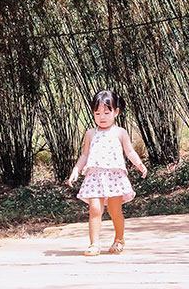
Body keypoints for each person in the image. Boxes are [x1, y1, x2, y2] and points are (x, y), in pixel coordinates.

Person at [66, 90, 147, 256]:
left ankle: (119, 239)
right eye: (97, 113)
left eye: (106, 112)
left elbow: (129, 151)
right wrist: (76, 169)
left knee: (114, 211)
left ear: (116, 112)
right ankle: (94, 244)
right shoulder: (90, 133)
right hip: (94, 177)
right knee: (95, 209)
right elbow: (85, 155)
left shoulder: (120, 132)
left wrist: (139, 164)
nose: (102, 117)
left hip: (114, 177)